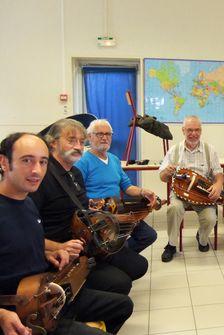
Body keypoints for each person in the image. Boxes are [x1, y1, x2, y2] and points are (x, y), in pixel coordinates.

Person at [0, 132, 133, 335]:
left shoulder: (27, 201)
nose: (37, 170)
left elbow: (20, 244)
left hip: (47, 295)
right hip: (20, 315)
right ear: (4, 162)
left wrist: (50, 253)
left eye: (43, 162)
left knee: (123, 305)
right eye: (27, 160)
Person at [29, 119, 148, 294]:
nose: (78, 146)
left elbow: (82, 208)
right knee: (121, 283)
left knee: (139, 265)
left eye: (80, 141)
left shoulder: (74, 173)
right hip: (61, 251)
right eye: (71, 140)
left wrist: (108, 220)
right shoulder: (42, 178)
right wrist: (56, 247)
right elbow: (27, 234)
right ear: (52, 143)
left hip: (87, 240)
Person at [75, 119, 157, 253]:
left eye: (108, 134)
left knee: (148, 236)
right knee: (119, 248)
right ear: (89, 137)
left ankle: (117, 254)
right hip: (98, 215)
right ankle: (117, 254)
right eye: (99, 134)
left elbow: (127, 187)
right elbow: (77, 194)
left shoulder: (114, 159)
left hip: (118, 210)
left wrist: (143, 191)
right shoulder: (82, 162)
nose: (104, 137)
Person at [159, 115, 224, 262]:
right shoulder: (174, 150)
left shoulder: (209, 150)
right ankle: (171, 245)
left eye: (197, 130)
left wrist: (218, 184)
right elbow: (162, 177)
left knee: (210, 218)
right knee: (173, 209)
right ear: (183, 130)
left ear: (201, 131)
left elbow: (218, 173)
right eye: (189, 130)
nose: (193, 133)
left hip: (202, 194)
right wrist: (166, 172)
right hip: (179, 193)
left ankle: (202, 239)